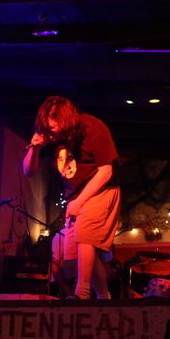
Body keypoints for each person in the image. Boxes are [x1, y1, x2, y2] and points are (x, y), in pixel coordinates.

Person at [23, 96, 120, 299]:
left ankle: (82, 293)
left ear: (64, 119)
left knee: (85, 234)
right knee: (80, 251)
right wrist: (35, 147)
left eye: (52, 127)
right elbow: (28, 171)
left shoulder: (92, 127)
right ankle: (104, 296)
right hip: (75, 196)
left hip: (101, 188)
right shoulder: (50, 138)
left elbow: (106, 171)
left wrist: (80, 202)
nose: (49, 132)